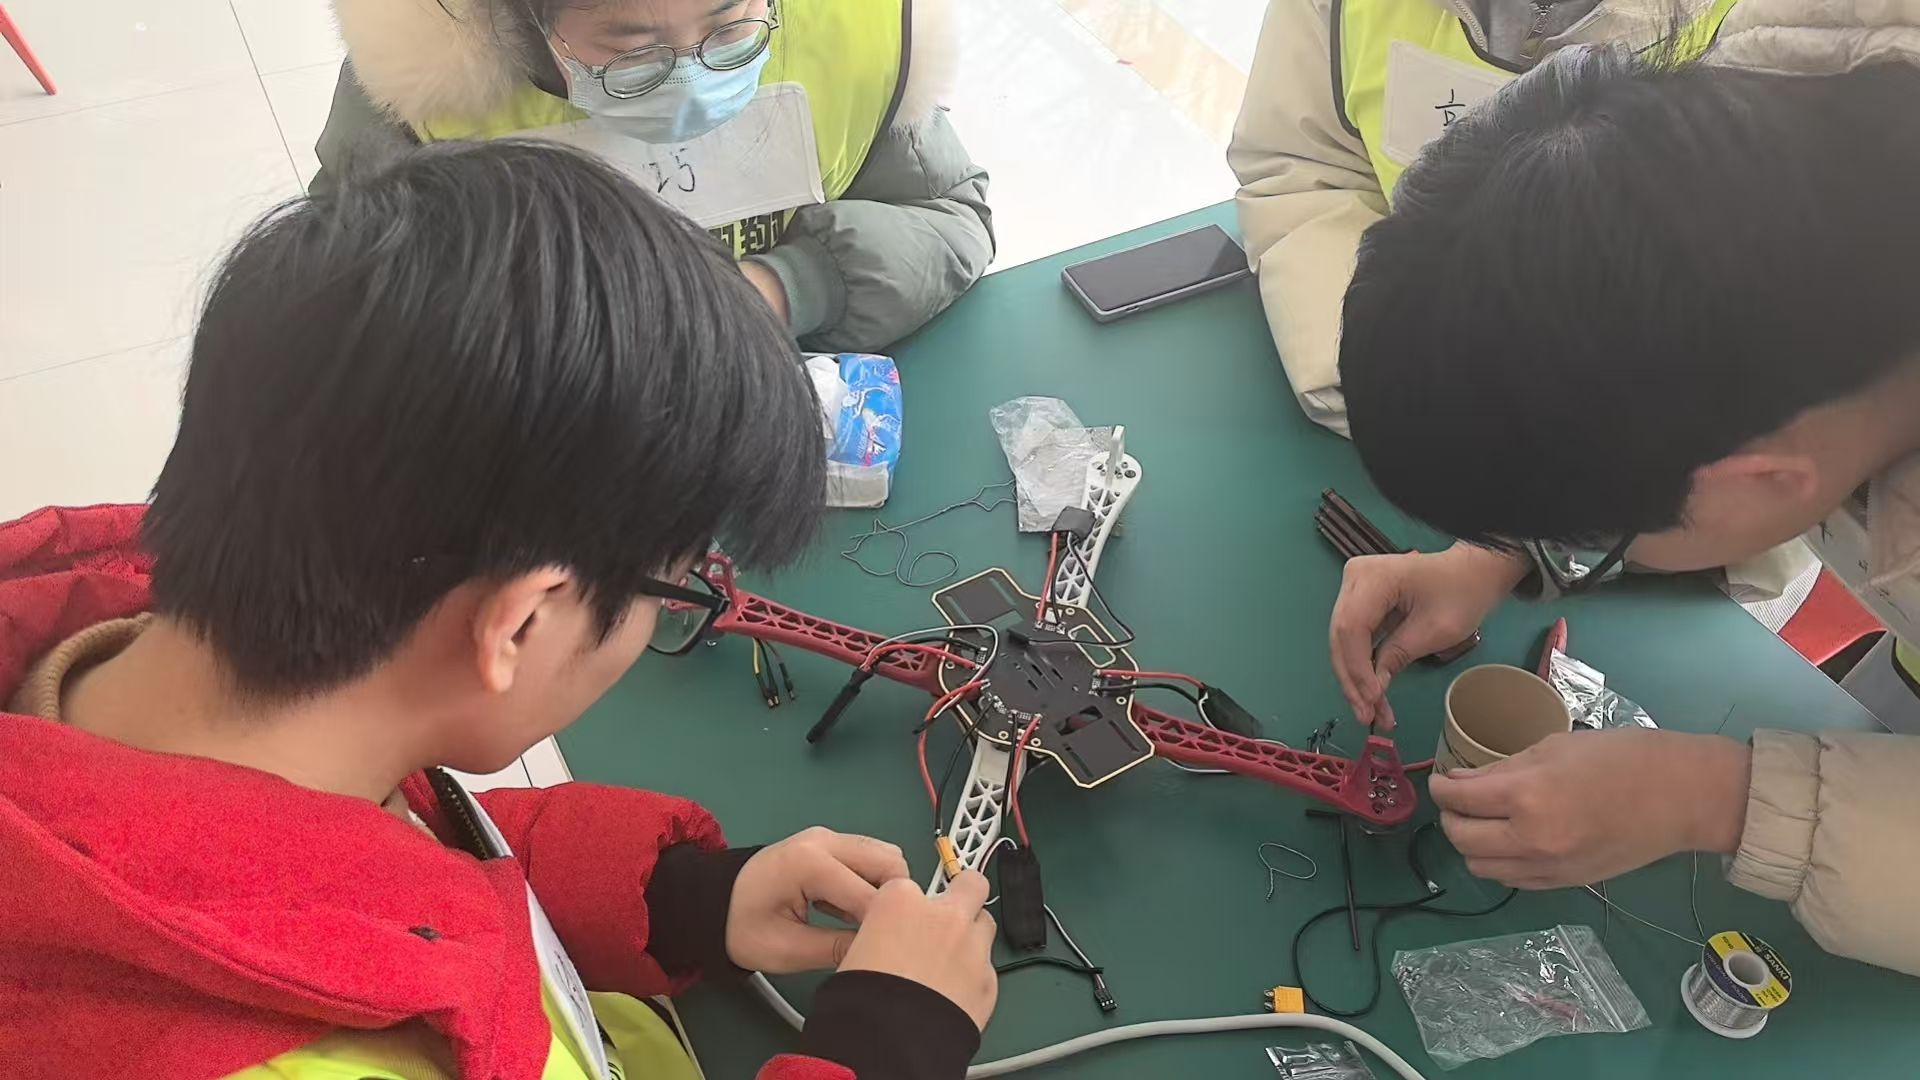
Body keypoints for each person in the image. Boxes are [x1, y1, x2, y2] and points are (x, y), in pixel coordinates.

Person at [0, 141, 997, 1079]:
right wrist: (882, 1051)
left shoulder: (161, 672)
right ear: (521, 625)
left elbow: (368, 864)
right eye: (675, 590)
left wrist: (681, 899)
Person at [1326, 0, 1920, 975]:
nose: (1586, 541)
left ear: (1767, 479)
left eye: (1599, 531)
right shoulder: (1772, 99)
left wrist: (1717, 799)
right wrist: (1497, 556)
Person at [315, 0, 993, 354]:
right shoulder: (423, 99)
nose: (691, 79)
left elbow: (950, 222)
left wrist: (780, 291)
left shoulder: (856, 34)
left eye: (731, 26)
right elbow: (336, 304)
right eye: (630, 50)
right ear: (522, 18)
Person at [1227, 0, 1737, 437]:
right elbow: (1305, 170)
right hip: (1415, 408)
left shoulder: (1765, 27)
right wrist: (1377, 374)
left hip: (1647, 450)